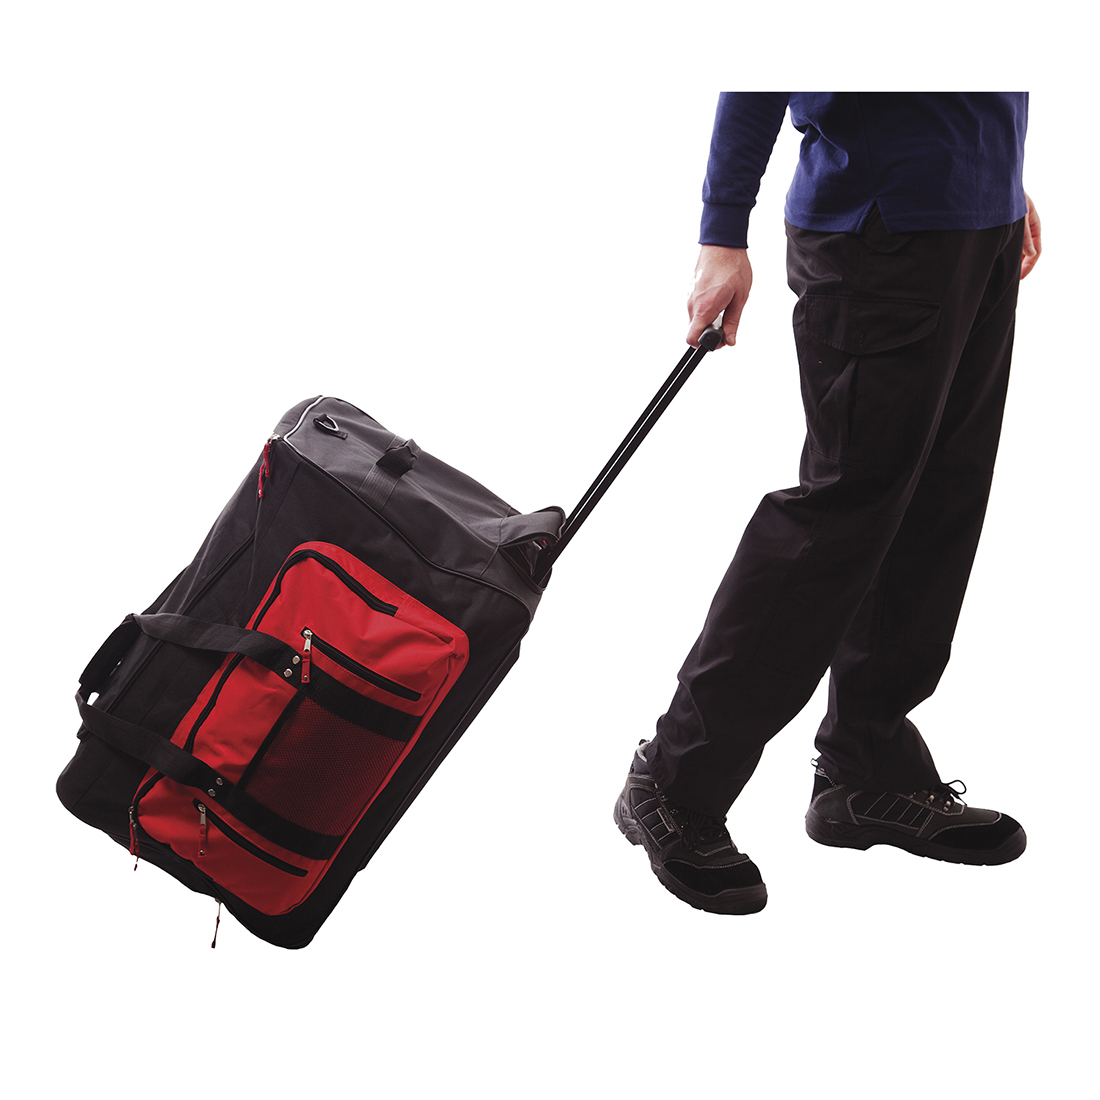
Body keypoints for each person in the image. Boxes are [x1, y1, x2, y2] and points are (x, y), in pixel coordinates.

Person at [614, 92, 1041, 915]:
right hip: (881, 229)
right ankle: (673, 779)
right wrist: (722, 231)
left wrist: (997, 176)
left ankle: (866, 771)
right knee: (836, 521)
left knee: (937, 503)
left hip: (975, 215)